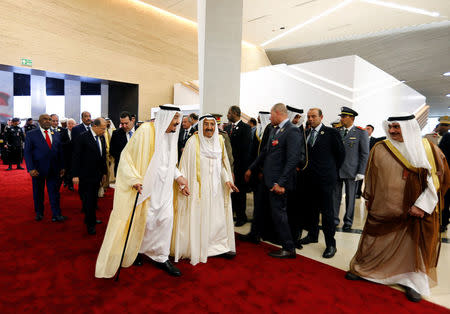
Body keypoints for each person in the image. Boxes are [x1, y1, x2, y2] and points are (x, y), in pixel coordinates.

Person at [346, 113, 449, 302]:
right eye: (390, 127)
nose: (392, 131)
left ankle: (412, 283)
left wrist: (421, 206)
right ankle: (371, 272)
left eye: (397, 127)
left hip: (415, 209)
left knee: (412, 246)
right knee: (381, 240)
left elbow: (435, 180)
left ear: (408, 128)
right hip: (386, 206)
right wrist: (369, 197)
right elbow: (372, 175)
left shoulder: (426, 148)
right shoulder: (381, 147)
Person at [95, 106, 189, 278]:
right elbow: (126, 157)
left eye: (178, 120)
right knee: (146, 220)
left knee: (165, 221)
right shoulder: (146, 131)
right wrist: (134, 179)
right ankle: (137, 250)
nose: (177, 124)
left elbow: (168, 162)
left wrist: (179, 176)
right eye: (174, 120)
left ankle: (161, 256)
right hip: (147, 187)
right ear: (165, 118)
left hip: (165, 189)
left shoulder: (171, 134)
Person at [173, 115, 238, 265]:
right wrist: (183, 185)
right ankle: (202, 248)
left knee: (217, 219)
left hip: (216, 190)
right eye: (206, 124)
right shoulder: (192, 142)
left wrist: (227, 179)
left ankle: (218, 247)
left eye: (212, 125)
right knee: (201, 218)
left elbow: (222, 165)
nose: (209, 128)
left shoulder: (220, 141)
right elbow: (184, 166)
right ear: (201, 126)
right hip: (198, 190)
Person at [245, 103, 304, 258]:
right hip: (267, 179)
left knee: (279, 214)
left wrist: (281, 183)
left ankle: (289, 248)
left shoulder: (292, 131)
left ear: (278, 113)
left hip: (278, 182)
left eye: (271, 114)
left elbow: (292, 160)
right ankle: (254, 235)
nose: (269, 118)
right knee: (259, 209)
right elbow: (265, 152)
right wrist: (251, 168)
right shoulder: (275, 129)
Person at [298, 108, 345, 258]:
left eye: (314, 116)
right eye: (309, 116)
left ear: (321, 117)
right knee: (310, 209)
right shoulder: (305, 133)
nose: (310, 119)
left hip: (325, 180)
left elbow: (340, 155)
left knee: (327, 213)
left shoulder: (332, 133)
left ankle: (331, 244)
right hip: (308, 180)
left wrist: (330, 171)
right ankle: (312, 235)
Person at [24, 114, 66, 222]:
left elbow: (60, 152)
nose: (48, 121)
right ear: (39, 121)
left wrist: (62, 166)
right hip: (38, 170)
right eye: (45, 119)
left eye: (49, 119)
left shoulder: (56, 134)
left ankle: (56, 214)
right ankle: (39, 213)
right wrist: (31, 168)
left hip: (54, 169)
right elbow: (27, 153)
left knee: (55, 193)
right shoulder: (31, 134)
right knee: (38, 193)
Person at [333, 107, 369, 231]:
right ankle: (334, 219)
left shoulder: (360, 132)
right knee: (335, 196)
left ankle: (348, 221)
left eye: (344, 117)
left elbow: (364, 153)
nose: (341, 119)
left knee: (350, 197)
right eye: (341, 116)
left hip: (352, 171)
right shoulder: (337, 131)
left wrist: (361, 171)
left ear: (352, 118)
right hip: (337, 170)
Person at [241, 111, 275, 244]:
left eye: (262, 117)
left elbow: (267, 153)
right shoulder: (261, 130)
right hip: (256, 172)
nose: (259, 118)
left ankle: (261, 233)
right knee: (258, 205)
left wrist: (262, 170)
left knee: (265, 206)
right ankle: (255, 233)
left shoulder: (270, 130)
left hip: (265, 174)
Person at [72, 118, 107, 235]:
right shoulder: (82, 137)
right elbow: (76, 157)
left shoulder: (101, 137)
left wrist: (104, 173)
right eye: (103, 128)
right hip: (85, 175)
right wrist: (75, 175)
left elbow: (103, 157)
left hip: (97, 175)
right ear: (95, 126)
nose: (105, 130)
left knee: (94, 200)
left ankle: (91, 218)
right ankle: (90, 224)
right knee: (88, 200)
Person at [225, 105, 252, 227]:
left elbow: (245, 149)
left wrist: (243, 168)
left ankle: (242, 217)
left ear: (235, 113)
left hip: (240, 166)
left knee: (240, 193)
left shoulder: (245, 128)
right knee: (231, 192)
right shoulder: (228, 127)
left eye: (229, 113)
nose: (227, 115)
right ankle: (232, 214)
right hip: (229, 165)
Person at [110, 111, 138, 176]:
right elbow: (112, 151)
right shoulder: (116, 133)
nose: (124, 126)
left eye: (126, 123)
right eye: (122, 124)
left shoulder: (140, 131)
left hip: (137, 167)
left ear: (132, 121)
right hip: (122, 168)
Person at [438, 116, 450, 232]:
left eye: (441, 125)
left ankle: (442, 223)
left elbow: (441, 156)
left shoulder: (447, 136)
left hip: (446, 173)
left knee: (444, 199)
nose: (439, 128)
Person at [60, 118, 76, 191]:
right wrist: (69, 143)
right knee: (66, 169)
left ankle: (70, 184)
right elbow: (61, 144)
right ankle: (66, 181)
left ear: (75, 125)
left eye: (72, 124)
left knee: (72, 170)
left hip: (74, 155)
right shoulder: (63, 132)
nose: (70, 125)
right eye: (69, 124)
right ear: (67, 125)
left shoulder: (77, 133)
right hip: (65, 155)